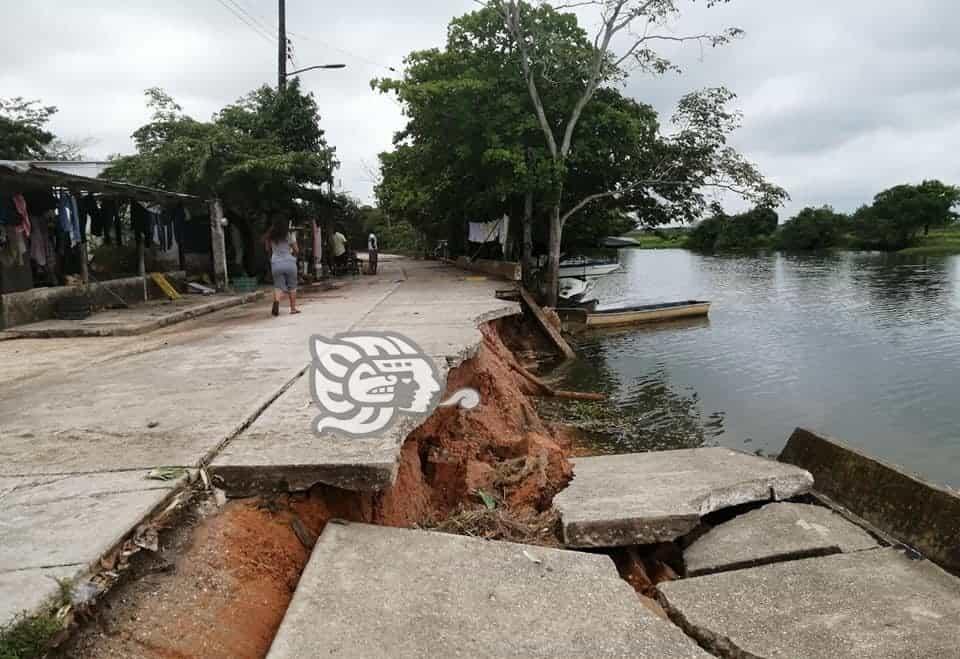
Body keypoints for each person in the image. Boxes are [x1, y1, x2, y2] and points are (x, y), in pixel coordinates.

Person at [265, 216, 300, 316]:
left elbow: (267, 249)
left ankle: (276, 301)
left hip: (276, 263)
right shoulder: (289, 235)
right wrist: (294, 258)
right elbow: (297, 250)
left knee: (278, 286)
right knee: (292, 286)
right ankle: (293, 309)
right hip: (289, 262)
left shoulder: (270, 236)